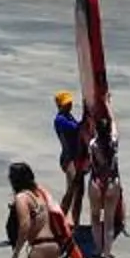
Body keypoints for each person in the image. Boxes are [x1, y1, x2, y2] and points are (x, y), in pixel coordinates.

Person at [87, 116, 126, 258]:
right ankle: (107, 253)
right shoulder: (113, 142)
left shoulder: (93, 144)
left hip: (96, 181)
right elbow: (114, 126)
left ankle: (97, 248)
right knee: (109, 220)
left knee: (95, 217)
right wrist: (110, 114)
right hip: (111, 181)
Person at [52, 90, 90, 225]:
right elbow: (77, 129)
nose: (69, 105)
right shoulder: (60, 120)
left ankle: (75, 221)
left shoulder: (68, 116)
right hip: (69, 159)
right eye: (66, 104)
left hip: (77, 158)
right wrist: (87, 114)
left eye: (70, 103)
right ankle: (60, 221)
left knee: (79, 192)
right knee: (71, 189)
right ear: (59, 106)